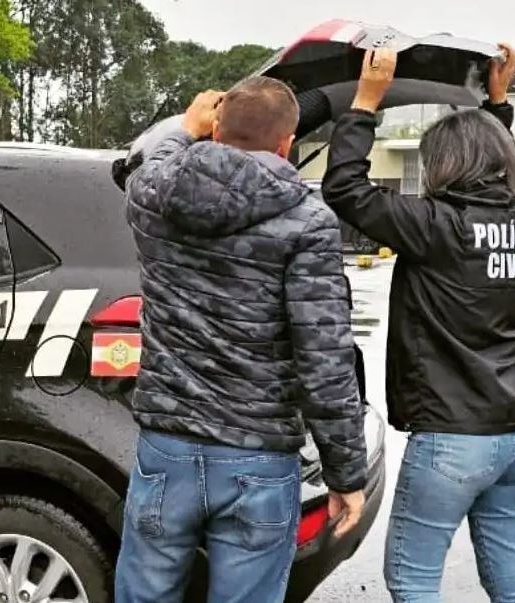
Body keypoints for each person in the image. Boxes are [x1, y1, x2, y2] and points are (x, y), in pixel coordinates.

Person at [117, 77, 368, 603]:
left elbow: (145, 162)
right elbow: (324, 359)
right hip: (258, 458)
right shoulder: (308, 222)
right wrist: (345, 474)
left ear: (214, 129)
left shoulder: (152, 194)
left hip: (167, 448)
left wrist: (184, 130)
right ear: (287, 143)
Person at [322, 45, 515, 603]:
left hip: (453, 439)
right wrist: (497, 106)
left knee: (413, 579)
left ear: (444, 162)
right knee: (514, 585)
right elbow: (495, 173)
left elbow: (345, 189)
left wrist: (365, 104)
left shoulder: (436, 227)